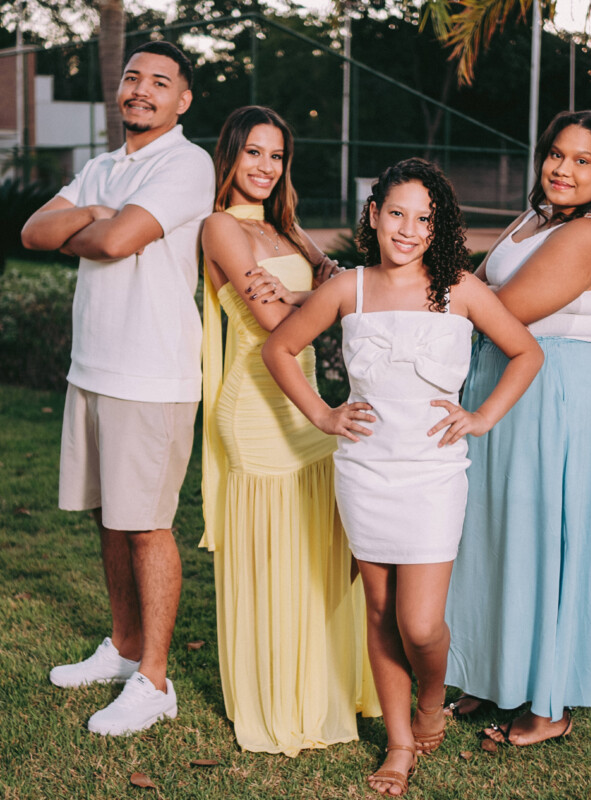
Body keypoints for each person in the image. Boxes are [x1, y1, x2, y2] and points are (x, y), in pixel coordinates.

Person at [262, 158, 542, 796]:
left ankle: (432, 697)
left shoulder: (459, 289)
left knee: (419, 623)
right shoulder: (349, 288)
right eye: (397, 214)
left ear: (437, 227)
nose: (408, 230)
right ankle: (397, 744)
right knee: (381, 610)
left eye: (424, 219)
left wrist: (481, 417)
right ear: (374, 214)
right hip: (365, 471)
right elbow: (278, 348)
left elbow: (527, 352)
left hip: (434, 473)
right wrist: (324, 415)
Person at [19, 41, 215, 736]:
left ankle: (154, 681)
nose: (141, 89)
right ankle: (124, 647)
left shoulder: (187, 163)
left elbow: (113, 242)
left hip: (151, 374)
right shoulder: (102, 166)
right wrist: (95, 216)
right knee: (108, 517)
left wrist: (89, 223)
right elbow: (33, 232)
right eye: (133, 77)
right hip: (93, 369)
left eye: (160, 81)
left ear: (182, 100)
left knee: (147, 526)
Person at [441, 110, 591, 745]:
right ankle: (491, 672)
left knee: (542, 535)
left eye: (582, 161)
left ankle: (549, 703)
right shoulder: (534, 218)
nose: (563, 169)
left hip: (555, 393)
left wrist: (392, 294)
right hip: (502, 381)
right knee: (494, 530)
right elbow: (473, 289)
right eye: (556, 154)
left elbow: (502, 308)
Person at [197, 105, 378, 756]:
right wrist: (319, 298)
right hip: (257, 408)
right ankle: (278, 698)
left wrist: (307, 295)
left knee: (319, 555)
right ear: (230, 155)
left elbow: (336, 286)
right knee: (275, 562)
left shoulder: (287, 229)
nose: (266, 167)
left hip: (306, 403)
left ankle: (325, 684)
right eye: (254, 152)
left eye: (277, 156)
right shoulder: (221, 226)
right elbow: (275, 320)